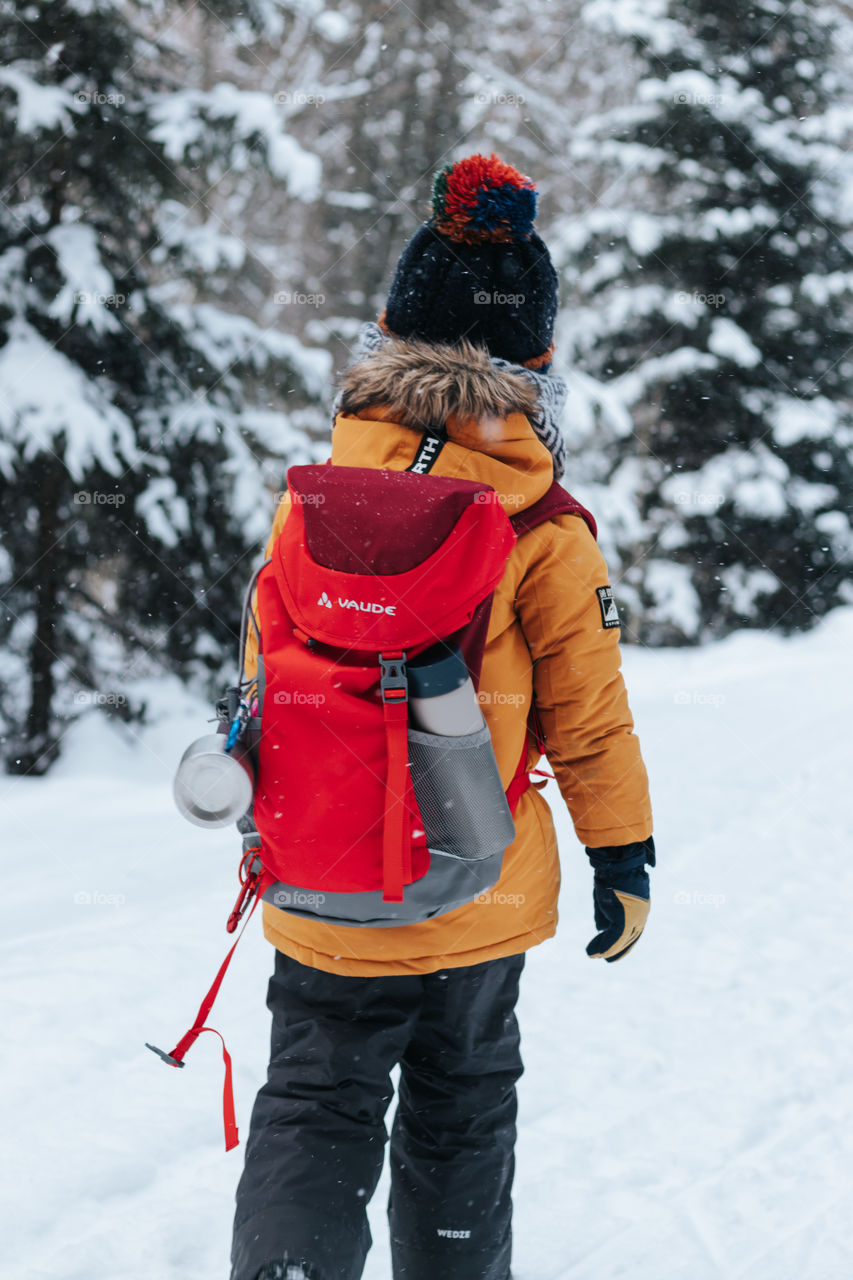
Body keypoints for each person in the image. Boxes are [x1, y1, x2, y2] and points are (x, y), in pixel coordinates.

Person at [231, 153, 654, 1280]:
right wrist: (623, 850)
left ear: (387, 338)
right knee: (461, 1105)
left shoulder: (313, 500)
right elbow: (588, 713)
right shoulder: (544, 526)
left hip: (321, 874)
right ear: (535, 365)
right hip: (478, 880)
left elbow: (261, 670)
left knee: (313, 1102)